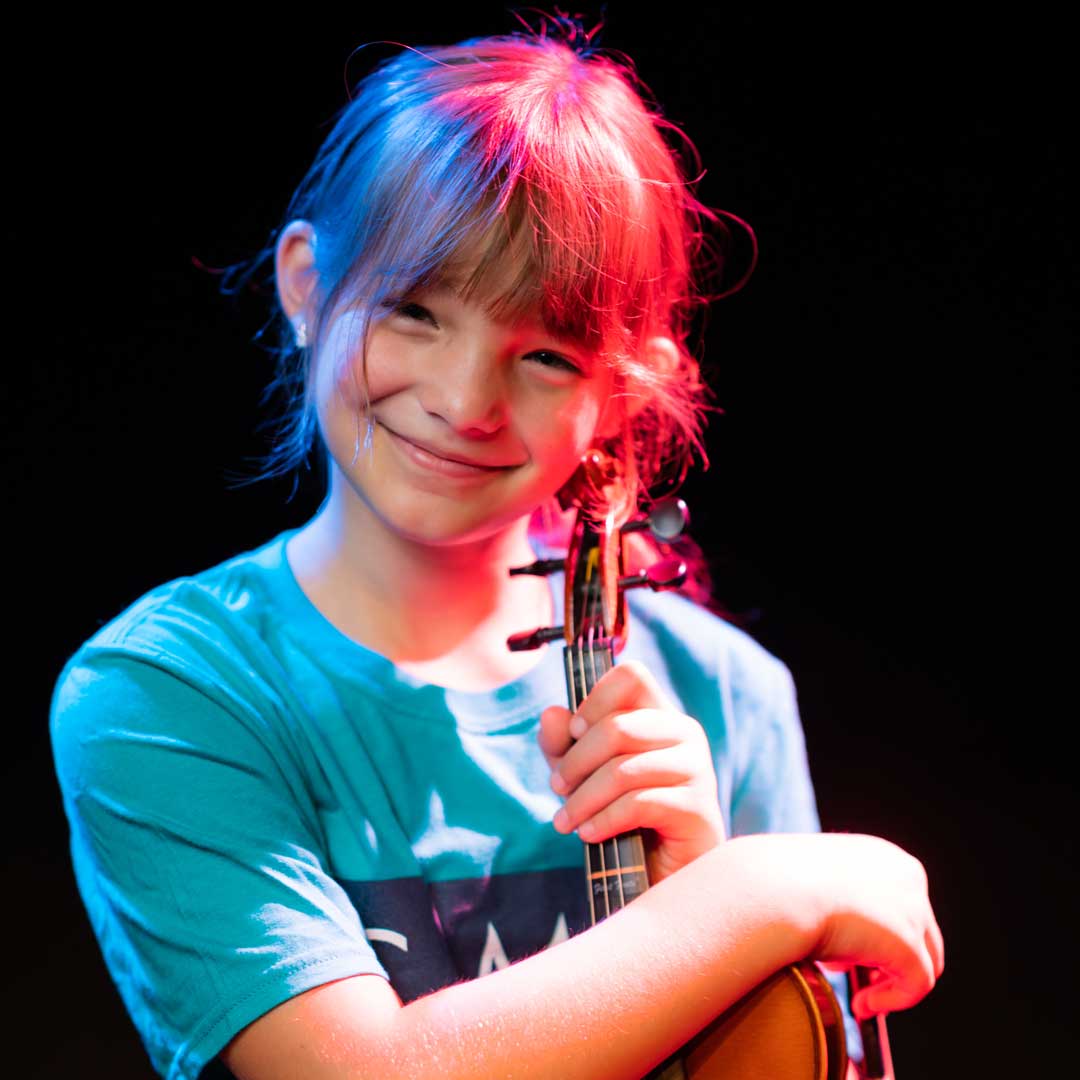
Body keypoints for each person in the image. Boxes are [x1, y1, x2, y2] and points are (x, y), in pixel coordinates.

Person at [50, 21, 943, 1080]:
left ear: (624, 389)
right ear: (303, 286)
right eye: (416, 312)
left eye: (547, 354)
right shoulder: (168, 696)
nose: (468, 402)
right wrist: (748, 897)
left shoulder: (727, 697)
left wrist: (707, 886)